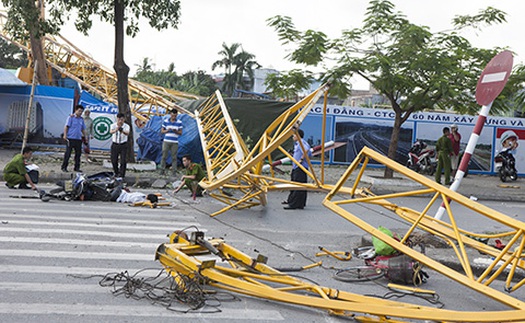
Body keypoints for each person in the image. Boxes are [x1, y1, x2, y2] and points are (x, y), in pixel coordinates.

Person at [282, 129, 312, 210]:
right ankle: (293, 201)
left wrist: (301, 160)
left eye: (294, 135)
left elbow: (306, 150)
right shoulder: (298, 144)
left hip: (300, 168)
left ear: (298, 136)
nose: (293, 137)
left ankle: (294, 204)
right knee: (295, 184)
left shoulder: (302, 143)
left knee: (298, 186)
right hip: (296, 167)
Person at [61, 105, 86, 173]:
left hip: (78, 139)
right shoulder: (71, 117)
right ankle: (64, 167)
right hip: (70, 138)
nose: (80, 112)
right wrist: (65, 135)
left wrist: (85, 136)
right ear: (76, 110)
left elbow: (83, 129)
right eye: (79, 111)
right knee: (68, 154)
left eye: (81, 111)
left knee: (78, 154)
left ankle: (76, 168)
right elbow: (66, 127)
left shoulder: (81, 119)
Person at [160, 109, 183, 176]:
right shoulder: (165, 121)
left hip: (174, 141)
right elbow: (162, 131)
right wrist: (167, 130)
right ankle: (162, 170)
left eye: (175, 116)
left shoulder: (179, 122)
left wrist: (176, 131)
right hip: (166, 141)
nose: (173, 117)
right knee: (164, 156)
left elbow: (180, 132)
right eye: (172, 115)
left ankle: (174, 172)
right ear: (170, 114)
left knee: (174, 157)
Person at [109, 113, 130, 178]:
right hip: (115, 144)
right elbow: (111, 131)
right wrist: (116, 129)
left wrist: (122, 130)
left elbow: (127, 133)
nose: (120, 121)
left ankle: (122, 175)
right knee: (114, 160)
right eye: (119, 119)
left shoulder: (126, 126)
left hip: (123, 144)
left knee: (123, 161)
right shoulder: (113, 125)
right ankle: (116, 172)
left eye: (122, 120)